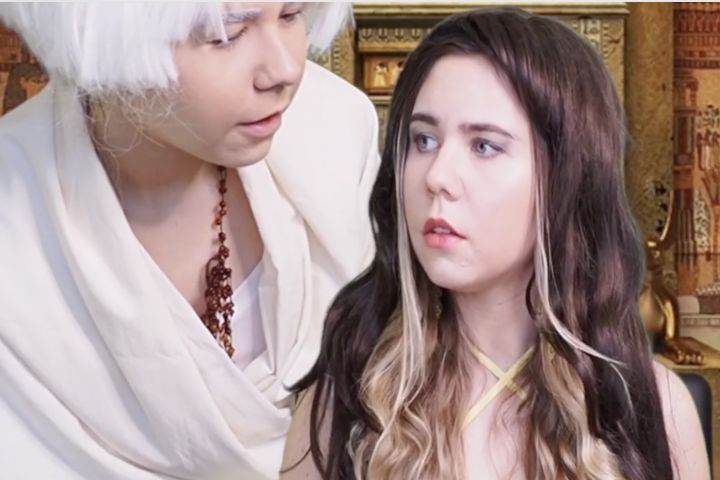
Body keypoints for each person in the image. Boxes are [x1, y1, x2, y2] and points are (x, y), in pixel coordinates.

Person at [282, 7, 709, 480]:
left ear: (566, 177)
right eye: (423, 140)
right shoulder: (346, 399)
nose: (437, 176)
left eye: (484, 145)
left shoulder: (658, 411)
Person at [0, 3, 379, 479]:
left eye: (291, 14)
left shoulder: (336, 134)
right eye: (227, 34)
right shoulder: (15, 224)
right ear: (107, 36)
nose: (284, 68)